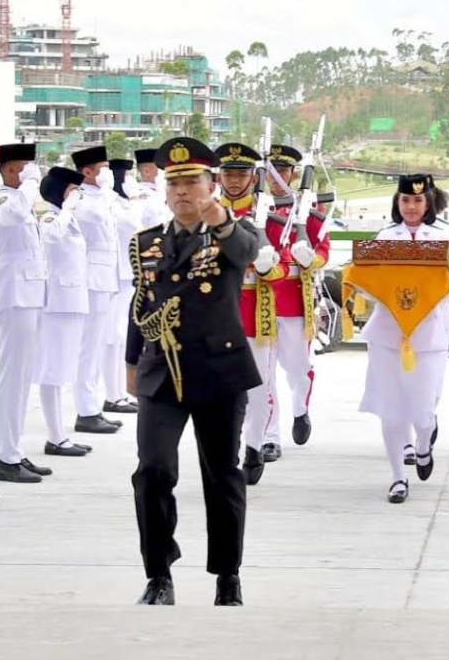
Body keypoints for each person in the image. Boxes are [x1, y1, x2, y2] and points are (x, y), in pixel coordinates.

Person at [127, 137, 263, 607]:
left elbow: (247, 252)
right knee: (153, 470)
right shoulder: (147, 243)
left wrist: (221, 221)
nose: (182, 191)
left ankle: (227, 575)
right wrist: (131, 363)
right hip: (161, 372)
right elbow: (140, 307)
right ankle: (158, 573)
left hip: (218, 372)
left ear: (211, 186)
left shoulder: (231, 234)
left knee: (222, 475)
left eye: (192, 182)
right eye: (174, 184)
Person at [353, 174, 449, 503]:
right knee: (391, 410)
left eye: (418, 200)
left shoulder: (445, 238)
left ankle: (423, 446)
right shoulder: (384, 237)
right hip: (387, 334)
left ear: (429, 202)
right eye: (405, 200)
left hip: (429, 333)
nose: (411, 206)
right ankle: (398, 477)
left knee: (424, 412)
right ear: (397, 202)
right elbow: (367, 284)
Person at [214, 142, 284, 484]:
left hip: (256, 311)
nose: (234, 180)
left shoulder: (269, 218)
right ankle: (225, 451)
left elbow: (284, 269)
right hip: (217, 312)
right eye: (228, 173)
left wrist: (268, 267)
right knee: (219, 392)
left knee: (258, 388)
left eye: (241, 174)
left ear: (253, 178)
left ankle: (254, 446)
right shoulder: (207, 215)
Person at [0, 143, 52, 484]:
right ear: (11, 169)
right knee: (11, 376)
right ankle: (5, 456)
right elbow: (10, 215)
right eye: (26, 166)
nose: (32, 172)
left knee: (23, 376)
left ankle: (13, 449)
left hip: (29, 296)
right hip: (14, 298)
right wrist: (29, 184)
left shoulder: (20, 201)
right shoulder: (4, 199)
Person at [261, 144, 331, 450]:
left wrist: (310, 259)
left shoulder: (308, 210)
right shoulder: (258, 207)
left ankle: (301, 410)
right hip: (260, 302)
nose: (276, 178)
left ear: (293, 174)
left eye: (283, 171)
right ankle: (268, 437)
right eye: (271, 171)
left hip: (293, 303)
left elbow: (323, 251)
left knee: (298, 370)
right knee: (263, 375)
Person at [34, 167, 93, 457]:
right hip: (57, 303)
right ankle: (55, 437)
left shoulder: (69, 219)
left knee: (63, 369)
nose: (76, 196)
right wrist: (67, 208)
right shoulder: (50, 216)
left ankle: (60, 435)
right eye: (72, 190)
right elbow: (51, 238)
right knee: (52, 370)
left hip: (73, 300)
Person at [70, 146, 123, 434]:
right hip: (92, 279)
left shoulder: (102, 196)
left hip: (106, 277)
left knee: (100, 342)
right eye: (102, 169)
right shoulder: (80, 198)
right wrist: (106, 191)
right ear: (87, 172)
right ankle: (86, 410)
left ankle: (93, 406)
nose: (107, 174)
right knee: (88, 346)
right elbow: (96, 218)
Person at [101, 158, 143, 416]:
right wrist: (135, 198)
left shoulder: (121, 202)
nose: (131, 179)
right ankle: (112, 394)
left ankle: (118, 394)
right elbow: (135, 225)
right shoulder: (113, 203)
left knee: (120, 338)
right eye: (127, 175)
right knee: (113, 337)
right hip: (115, 275)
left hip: (127, 274)